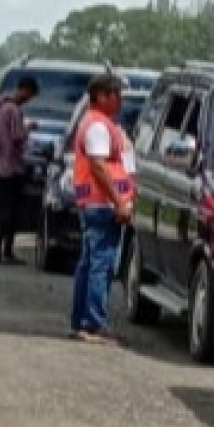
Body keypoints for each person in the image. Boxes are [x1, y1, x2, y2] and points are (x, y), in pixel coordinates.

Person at [68, 74, 136, 344]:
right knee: (101, 265)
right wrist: (119, 200)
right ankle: (94, 324)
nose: (119, 100)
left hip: (97, 202)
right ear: (101, 96)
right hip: (101, 203)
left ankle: (83, 321)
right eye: (115, 94)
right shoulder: (97, 125)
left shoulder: (102, 124)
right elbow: (98, 166)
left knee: (90, 263)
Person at [0, 76, 38, 264]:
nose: (28, 99)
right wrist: (29, 128)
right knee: (11, 210)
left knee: (2, 209)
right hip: (10, 167)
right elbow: (18, 137)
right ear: (25, 90)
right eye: (29, 95)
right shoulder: (13, 111)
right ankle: (6, 251)